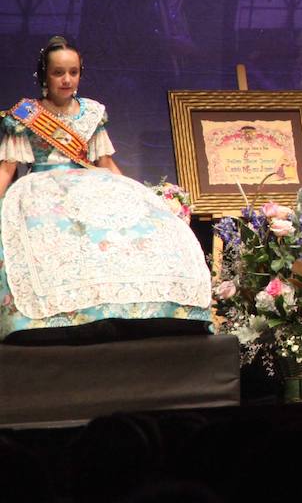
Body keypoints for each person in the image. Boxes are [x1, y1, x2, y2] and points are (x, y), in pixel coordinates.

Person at [0, 36, 212, 340]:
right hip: (41, 189)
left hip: (90, 183)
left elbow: (106, 164)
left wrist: (139, 197)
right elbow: (8, 168)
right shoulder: (25, 115)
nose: (67, 79)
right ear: (44, 75)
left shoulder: (93, 112)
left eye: (73, 72)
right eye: (59, 72)